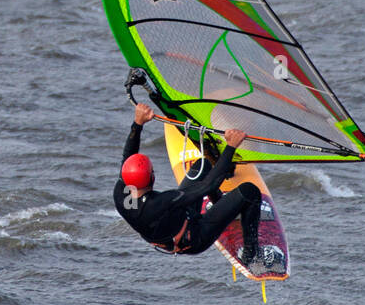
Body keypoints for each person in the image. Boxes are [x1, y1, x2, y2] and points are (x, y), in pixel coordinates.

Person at [114, 102, 276, 275]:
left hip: (171, 221)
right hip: (193, 237)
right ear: (152, 178)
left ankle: (223, 206)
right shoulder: (161, 202)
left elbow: (128, 157)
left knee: (202, 165)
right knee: (249, 192)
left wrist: (137, 123)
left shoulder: (120, 193)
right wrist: (231, 146)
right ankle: (252, 253)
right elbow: (208, 186)